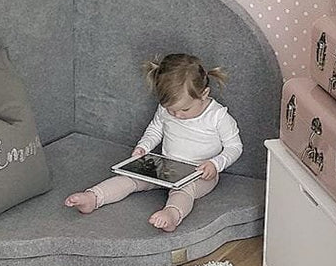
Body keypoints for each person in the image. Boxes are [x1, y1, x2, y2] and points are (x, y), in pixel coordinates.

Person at [64, 53, 243, 232]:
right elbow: (156, 129)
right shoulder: (166, 110)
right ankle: (93, 197)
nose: (177, 115)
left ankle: (172, 215)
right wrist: (144, 146)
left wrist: (215, 164)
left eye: (184, 109)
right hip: (165, 165)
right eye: (170, 110)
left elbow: (234, 147)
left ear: (204, 94)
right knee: (131, 178)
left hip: (200, 173)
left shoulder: (218, 116)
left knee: (183, 192)